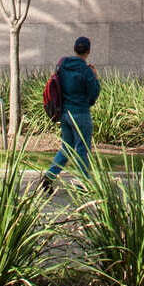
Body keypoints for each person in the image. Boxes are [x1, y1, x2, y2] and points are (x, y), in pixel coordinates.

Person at [39, 35, 101, 191]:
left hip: (65, 113)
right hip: (80, 113)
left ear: (74, 49)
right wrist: (96, 77)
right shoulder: (86, 71)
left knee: (66, 147)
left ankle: (49, 176)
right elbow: (94, 93)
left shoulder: (62, 65)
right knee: (81, 148)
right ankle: (83, 183)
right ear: (88, 51)